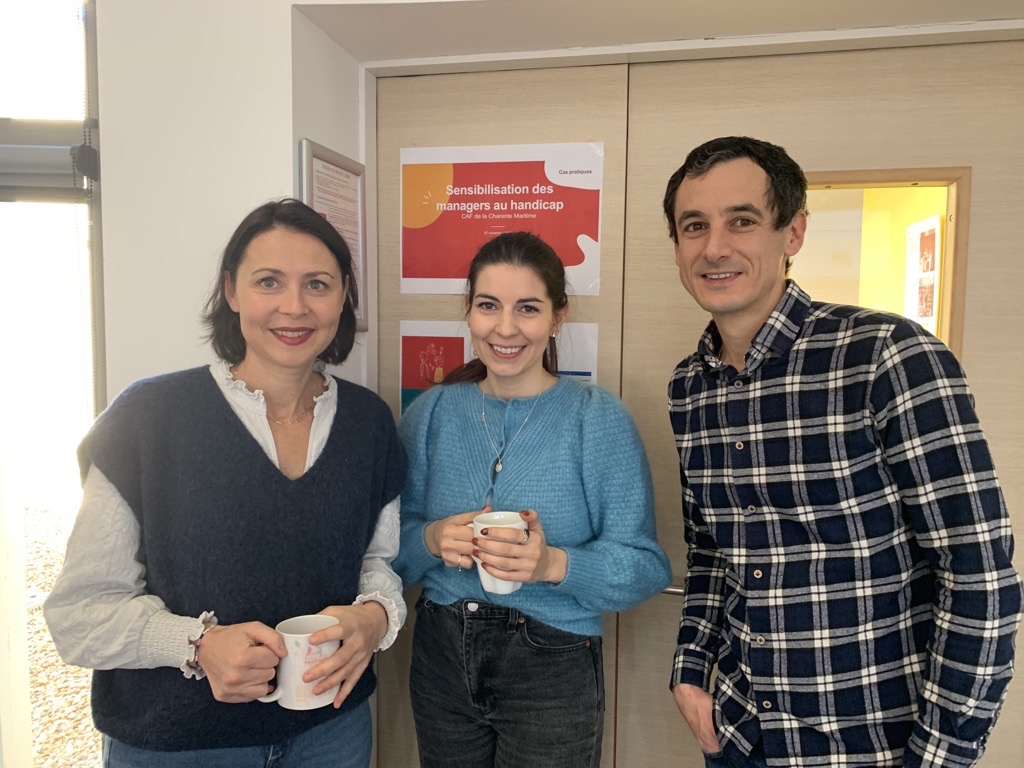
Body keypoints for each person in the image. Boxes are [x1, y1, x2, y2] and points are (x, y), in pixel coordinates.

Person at [662, 136, 1023, 768]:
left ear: (793, 232)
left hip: (874, 744)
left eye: (741, 220)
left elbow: (978, 573)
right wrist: (690, 670)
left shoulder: (887, 355)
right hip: (743, 736)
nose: (714, 247)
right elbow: (713, 553)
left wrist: (941, 756)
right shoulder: (690, 387)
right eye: (695, 226)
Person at [44, 199, 406, 767]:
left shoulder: (368, 423)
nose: (294, 306)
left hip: (331, 733)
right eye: (269, 282)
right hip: (179, 743)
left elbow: (378, 563)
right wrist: (198, 645)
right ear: (232, 291)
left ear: (343, 298)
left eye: (317, 284)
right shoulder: (148, 418)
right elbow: (79, 613)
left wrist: (373, 617)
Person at [394, 231, 671, 768]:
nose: (505, 328)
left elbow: (645, 567)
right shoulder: (430, 414)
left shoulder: (596, 417)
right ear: (468, 311)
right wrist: (430, 538)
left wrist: (553, 564)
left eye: (527, 308)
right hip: (440, 655)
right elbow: (385, 554)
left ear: (557, 317)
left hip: (553, 664)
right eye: (488, 306)